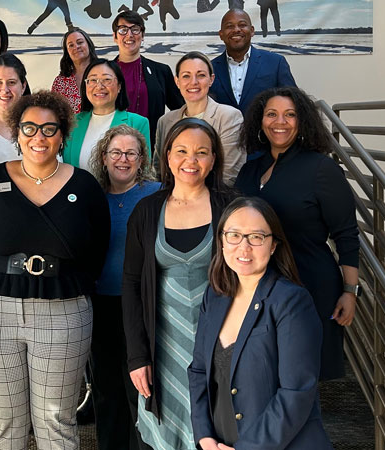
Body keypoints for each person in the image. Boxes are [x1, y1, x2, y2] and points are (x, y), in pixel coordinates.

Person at [0, 91, 110, 450]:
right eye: (29, 128)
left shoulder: (85, 187)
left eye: (48, 129)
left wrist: (67, 282)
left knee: (55, 419)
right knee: (4, 419)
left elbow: (97, 250)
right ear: (16, 132)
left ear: (62, 135)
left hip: (64, 310)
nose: (38, 137)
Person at [122, 118, 237, 450]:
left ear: (214, 159)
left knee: (218, 432)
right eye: (182, 151)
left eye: (202, 152)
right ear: (167, 155)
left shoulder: (230, 207)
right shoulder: (147, 211)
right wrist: (137, 356)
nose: (191, 160)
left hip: (220, 344)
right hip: (163, 345)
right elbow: (131, 285)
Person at [234, 86, 359, 381]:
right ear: (260, 121)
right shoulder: (250, 170)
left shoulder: (321, 168)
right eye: (272, 114)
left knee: (300, 378)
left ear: (302, 121)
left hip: (310, 284)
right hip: (257, 287)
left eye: (290, 115)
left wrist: (350, 292)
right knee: (262, 374)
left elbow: (346, 234)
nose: (281, 121)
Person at [190, 197, 331, 450]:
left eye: (256, 237)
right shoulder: (215, 294)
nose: (244, 248)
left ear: (274, 245)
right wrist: (204, 436)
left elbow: (296, 392)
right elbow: (199, 371)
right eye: (234, 235)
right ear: (222, 240)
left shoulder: (291, 301)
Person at [83, 125, 160, 450]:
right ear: (104, 156)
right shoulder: (90, 197)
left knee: (141, 388)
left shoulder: (157, 195)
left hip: (143, 305)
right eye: (116, 152)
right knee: (106, 387)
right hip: (100, 304)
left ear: (142, 158)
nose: (123, 159)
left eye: (131, 152)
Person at [157, 52, 245, 184]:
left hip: (214, 200)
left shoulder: (229, 117)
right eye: (186, 76)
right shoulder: (165, 121)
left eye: (201, 75)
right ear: (177, 81)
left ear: (211, 79)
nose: (194, 82)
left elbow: (228, 174)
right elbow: (160, 171)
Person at [65, 59, 151, 176]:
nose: (99, 86)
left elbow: (144, 171)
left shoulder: (138, 123)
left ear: (119, 86)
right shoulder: (72, 123)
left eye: (107, 80)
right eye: (93, 80)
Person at [110, 11, 185, 129]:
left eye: (135, 29)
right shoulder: (104, 72)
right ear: (115, 36)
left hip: (152, 143)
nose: (129, 35)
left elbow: (181, 109)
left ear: (143, 35)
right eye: (123, 30)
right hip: (112, 143)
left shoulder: (161, 71)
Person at [211, 9, 297, 110]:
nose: (236, 30)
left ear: (252, 31)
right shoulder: (209, 68)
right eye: (230, 26)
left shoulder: (276, 63)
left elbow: (293, 102)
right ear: (221, 34)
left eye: (242, 25)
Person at [51, 28, 97, 114]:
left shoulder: (104, 74)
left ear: (89, 45)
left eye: (80, 42)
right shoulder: (60, 82)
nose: (76, 47)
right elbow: (54, 113)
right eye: (71, 45)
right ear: (67, 52)